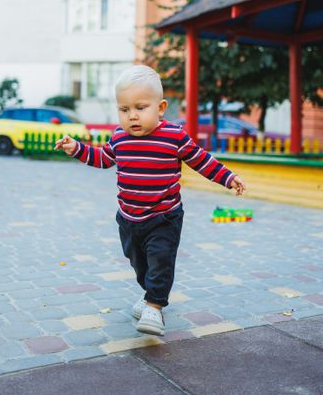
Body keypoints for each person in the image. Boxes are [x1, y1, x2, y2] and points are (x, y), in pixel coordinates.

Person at [54, 65, 245, 337]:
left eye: (141, 108)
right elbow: (103, 159)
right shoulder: (119, 138)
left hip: (164, 217)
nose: (132, 116)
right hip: (129, 219)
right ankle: (148, 296)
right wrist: (77, 149)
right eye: (124, 109)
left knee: (160, 261)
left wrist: (228, 177)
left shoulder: (173, 136)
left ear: (161, 107)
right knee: (139, 264)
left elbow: (202, 160)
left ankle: (155, 307)